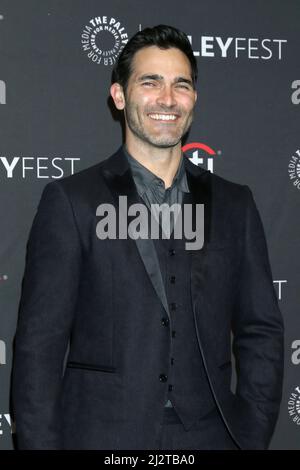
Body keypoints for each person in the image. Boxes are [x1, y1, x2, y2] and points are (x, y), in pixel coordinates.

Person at [12, 24, 284, 450]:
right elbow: (39, 346)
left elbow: (260, 330)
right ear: (119, 96)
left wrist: (251, 431)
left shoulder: (235, 205)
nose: (167, 99)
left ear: (193, 99)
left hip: (212, 437)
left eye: (181, 85)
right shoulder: (71, 202)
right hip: (102, 437)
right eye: (150, 82)